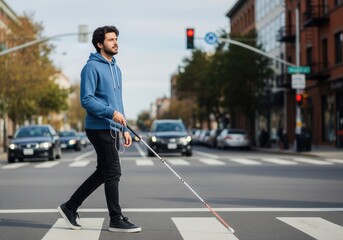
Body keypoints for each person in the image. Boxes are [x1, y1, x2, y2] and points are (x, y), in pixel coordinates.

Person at [57, 26, 141, 233]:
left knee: (103, 172)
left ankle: (70, 207)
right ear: (99, 44)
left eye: (116, 39)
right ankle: (116, 218)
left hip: (113, 128)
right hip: (98, 127)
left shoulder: (116, 69)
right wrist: (111, 113)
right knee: (113, 171)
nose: (115, 42)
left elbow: (118, 102)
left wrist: (125, 128)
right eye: (111, 39)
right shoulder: (91, 68)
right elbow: (86, 100)